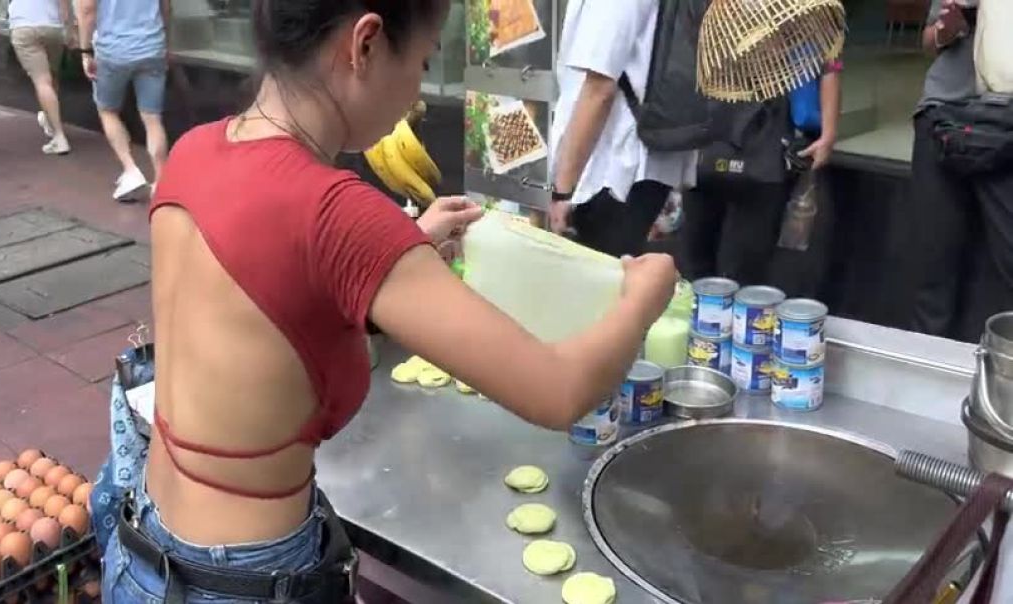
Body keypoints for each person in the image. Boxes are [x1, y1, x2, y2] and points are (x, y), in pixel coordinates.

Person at [101, 0, 679, 601]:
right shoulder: (340, 214)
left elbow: (264, 294)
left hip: (144, 551)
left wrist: (397, 251)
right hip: (245, 581)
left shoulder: (194, 150)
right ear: (366, 44)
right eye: (424, 62)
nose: (418, 93)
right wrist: (641, 298)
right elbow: (558, 390)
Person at [547, 0, 697, 258]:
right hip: (633, 161)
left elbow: (599, 89)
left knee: (601, 286)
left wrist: (563, 191)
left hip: (614, 169)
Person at [680, 60, 841, 287]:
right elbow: (830, 68)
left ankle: (703, 312)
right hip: (758, 150)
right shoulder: (804, 28)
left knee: (698, 263)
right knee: (741, 271)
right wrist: (828, 135)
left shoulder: (705, 26)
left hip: (720, 143)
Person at [909, 0, 1013, 342]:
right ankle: (929, 364)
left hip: (1005, 124)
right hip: (946, 118)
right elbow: (929, 40)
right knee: (934, 258)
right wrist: (946, 29)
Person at [75, 0, 168, 201]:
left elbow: (87, 9)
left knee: (107, 110)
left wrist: (85, 51)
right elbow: (165, 6)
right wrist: (167, 40)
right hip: (153, 45)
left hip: (112, 50)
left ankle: (130, 170)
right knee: (152, 118)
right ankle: (161, 182)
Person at [0, 0, 73, 154]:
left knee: (42, 81)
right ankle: (49, 120)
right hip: (53, 27)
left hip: (23, 27)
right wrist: (69, 29)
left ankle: (59, 137)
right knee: (52, 76)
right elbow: (65, 4)